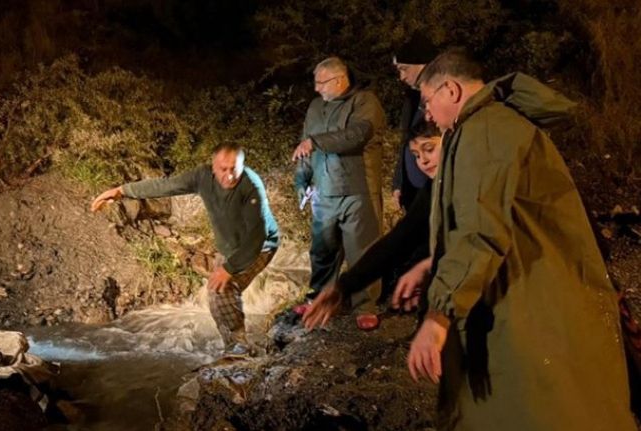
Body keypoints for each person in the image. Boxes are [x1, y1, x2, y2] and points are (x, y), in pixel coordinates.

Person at [409, 48, 634, 430]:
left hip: (531, 302)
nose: (427, 114)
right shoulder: (495, 126)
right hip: (537, 291)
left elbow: (480, 229)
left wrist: (438, 315)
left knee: (542, 407)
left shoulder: (485, 130)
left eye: (428, 101)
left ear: (450, 90)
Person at [91, 143, 279, 355]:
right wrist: (121, 191)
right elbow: (166, 186)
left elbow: (257, 236)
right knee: (216, 297)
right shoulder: (201, 177)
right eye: (223, 169)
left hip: (260, 247)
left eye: (234, 168)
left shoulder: (251, 186)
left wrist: (229, 269)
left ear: (242, 166)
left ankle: (240, 348)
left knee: (223, 289)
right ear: (213, 167)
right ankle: (235, 347)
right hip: (229, 247)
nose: (229, 175)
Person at [302, 121, 441, 329]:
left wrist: (427, 266)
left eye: (429, 149)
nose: (423, 161)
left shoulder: (470, 183)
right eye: (416, 155)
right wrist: (343, 286)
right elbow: (400, 239)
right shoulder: (433, 188)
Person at [293, 56, 386, 305]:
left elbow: (357, 134)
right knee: (322, 250)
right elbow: (304, 146)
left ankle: (365, 304)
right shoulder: (315, 107)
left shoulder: (365, 101)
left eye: (321, 82)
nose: (316, 88)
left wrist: (317, 142)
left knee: (362, 249)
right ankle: (319, 298)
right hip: (323, 190)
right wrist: (301, 181)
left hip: (358, 189)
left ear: (339, 79)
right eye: (316, 82)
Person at [391, 32, 440, 210]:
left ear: (423, 65)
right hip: (414, 193)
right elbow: (406, 142)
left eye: (404, 69)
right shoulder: (412, 99)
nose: (401, 77)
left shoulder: (442, 100)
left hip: (436, 192)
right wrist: (399, 182)